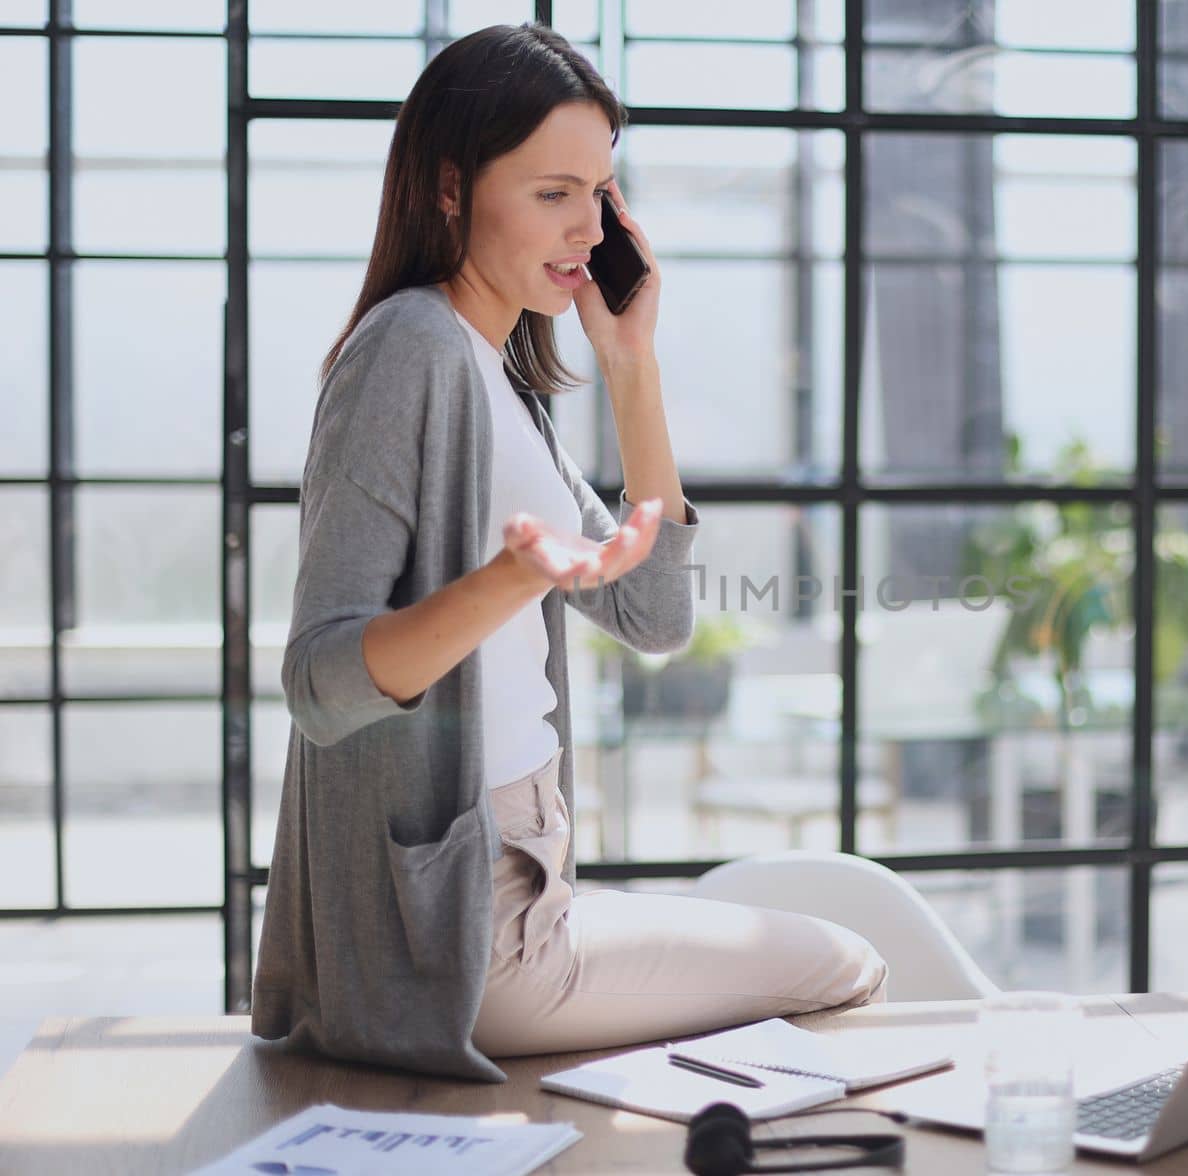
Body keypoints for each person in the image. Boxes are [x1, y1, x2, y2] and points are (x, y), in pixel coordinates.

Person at [251, 23, 886, 1083]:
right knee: (849, 963)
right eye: (552, 192)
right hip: (465, 928)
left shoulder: (500, 376)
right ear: (450, 188)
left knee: (802, 956)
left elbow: (652, 619)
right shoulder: (409, 349)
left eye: (600, 191)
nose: (588, 226)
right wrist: (513, 577)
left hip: (525, 876)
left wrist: (630, 366)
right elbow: (320, 682)